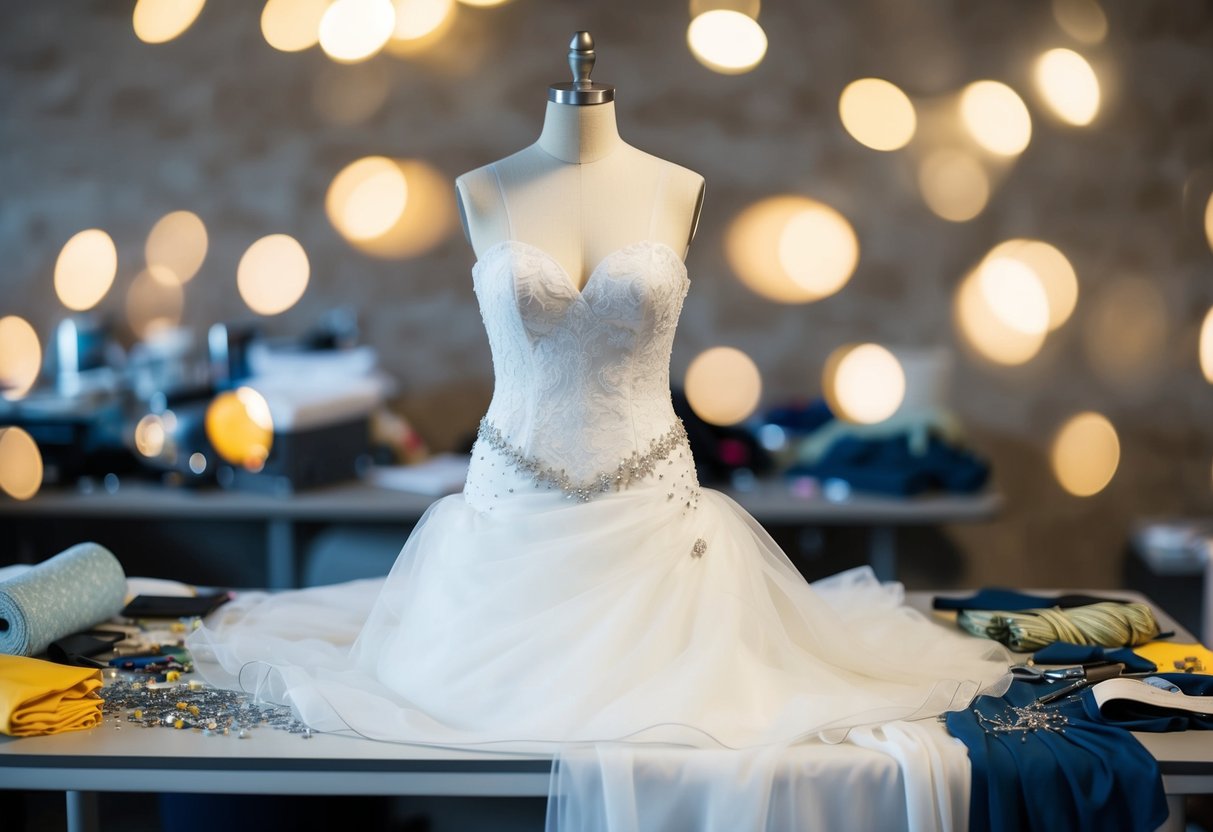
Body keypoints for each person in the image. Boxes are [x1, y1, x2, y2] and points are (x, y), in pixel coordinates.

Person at [191, 33, 1008, 831]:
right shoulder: (486, 188)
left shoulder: (674, 187)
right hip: (505, 531)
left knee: (709, 720)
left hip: (654, 524)